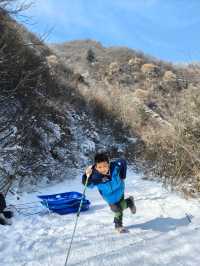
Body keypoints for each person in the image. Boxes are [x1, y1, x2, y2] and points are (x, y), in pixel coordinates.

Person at [82, 152, 136, 233]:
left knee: (118, 208)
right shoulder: (95, 176)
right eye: (100, 167)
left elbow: (123, 161)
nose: (103, 169)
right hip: (108, 196)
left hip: (119, 189)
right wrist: (86, 176)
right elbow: (88, 185)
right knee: (116, 208)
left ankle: (118, 225)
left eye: (105, 166)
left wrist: (123, 176)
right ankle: (129, 202)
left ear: (109, 164)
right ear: (96, 167)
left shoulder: (115, 166)